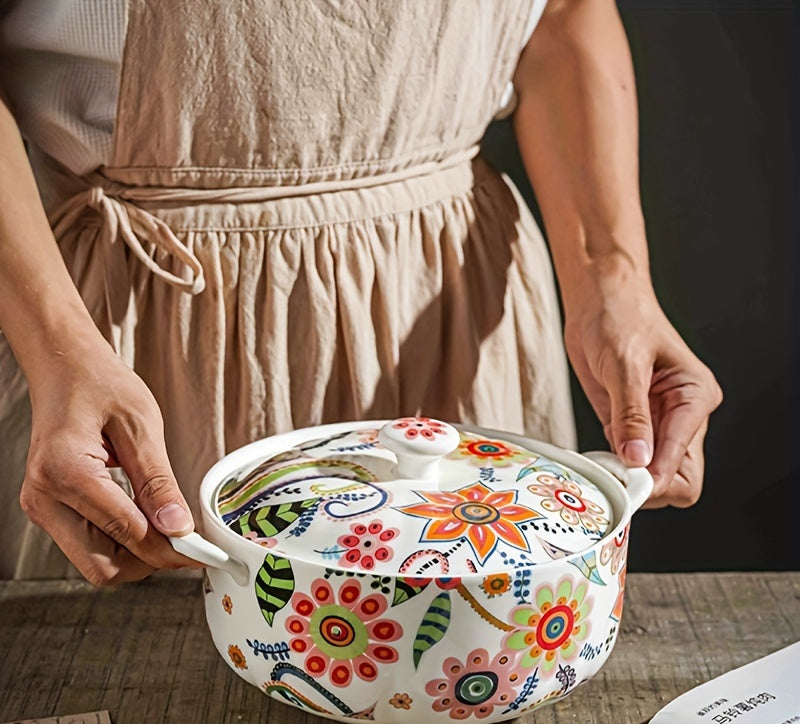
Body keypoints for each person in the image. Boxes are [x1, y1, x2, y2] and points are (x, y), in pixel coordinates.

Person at [0, 0, 722, 584]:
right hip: (126, 325)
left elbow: (562, 14)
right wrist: (58, 346)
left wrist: (611, 277)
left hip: (448, 291)